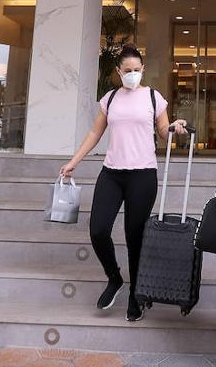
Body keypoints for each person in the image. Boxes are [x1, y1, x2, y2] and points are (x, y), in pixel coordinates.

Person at [60, 45, 188, 322]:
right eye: (127, 70)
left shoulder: (153, 97)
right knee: (98, 230)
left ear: (143, 70)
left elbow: (163, 131)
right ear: (118, 71)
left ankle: (135, 295)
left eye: (136, 70)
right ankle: (114, 277)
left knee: (134, 236)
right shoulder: (110, 99)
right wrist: (74, 161)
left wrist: (173, 128)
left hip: (143, 174)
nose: (132, 74)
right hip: (112, 173)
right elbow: (95, 133)